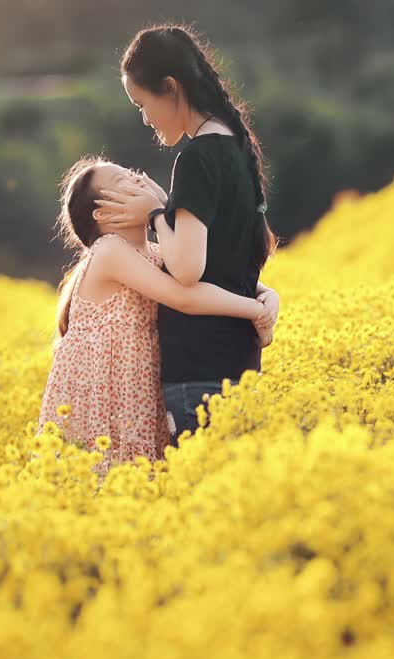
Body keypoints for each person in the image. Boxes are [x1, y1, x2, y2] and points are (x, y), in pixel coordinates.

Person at [95, 24, 280, 443]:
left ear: (171, 88)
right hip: (240, 361)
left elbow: (187, 270)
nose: (143, 118)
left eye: (142, 103)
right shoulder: (236, 150)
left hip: (200, 371)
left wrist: (157, 213)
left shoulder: (196, 160)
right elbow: (225, 264)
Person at [38, 156, 276, 470]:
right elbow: (184, 297)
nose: (138, 178)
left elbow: (222, 279)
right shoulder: (109, 250)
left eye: (134, 172)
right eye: (121, 180)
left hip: (138, 388)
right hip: (102, 394)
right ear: (103, 213)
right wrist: (253, 311)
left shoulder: (156, 253)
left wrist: (268, 295)